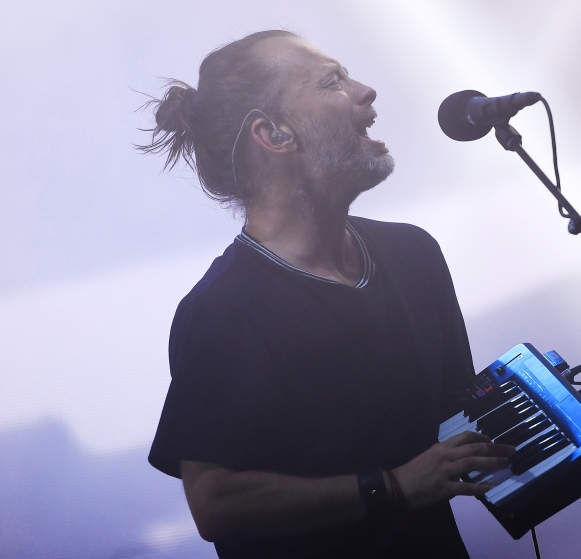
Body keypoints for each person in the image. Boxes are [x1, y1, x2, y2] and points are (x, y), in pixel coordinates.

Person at [139, 30, 515, 558]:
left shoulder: (414, 254)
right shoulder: (225, 311)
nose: (366, 91)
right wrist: (394, 485)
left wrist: (527, 409)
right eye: (333, 81)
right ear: (274, 134)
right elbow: (215, 502)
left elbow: (453, 413)